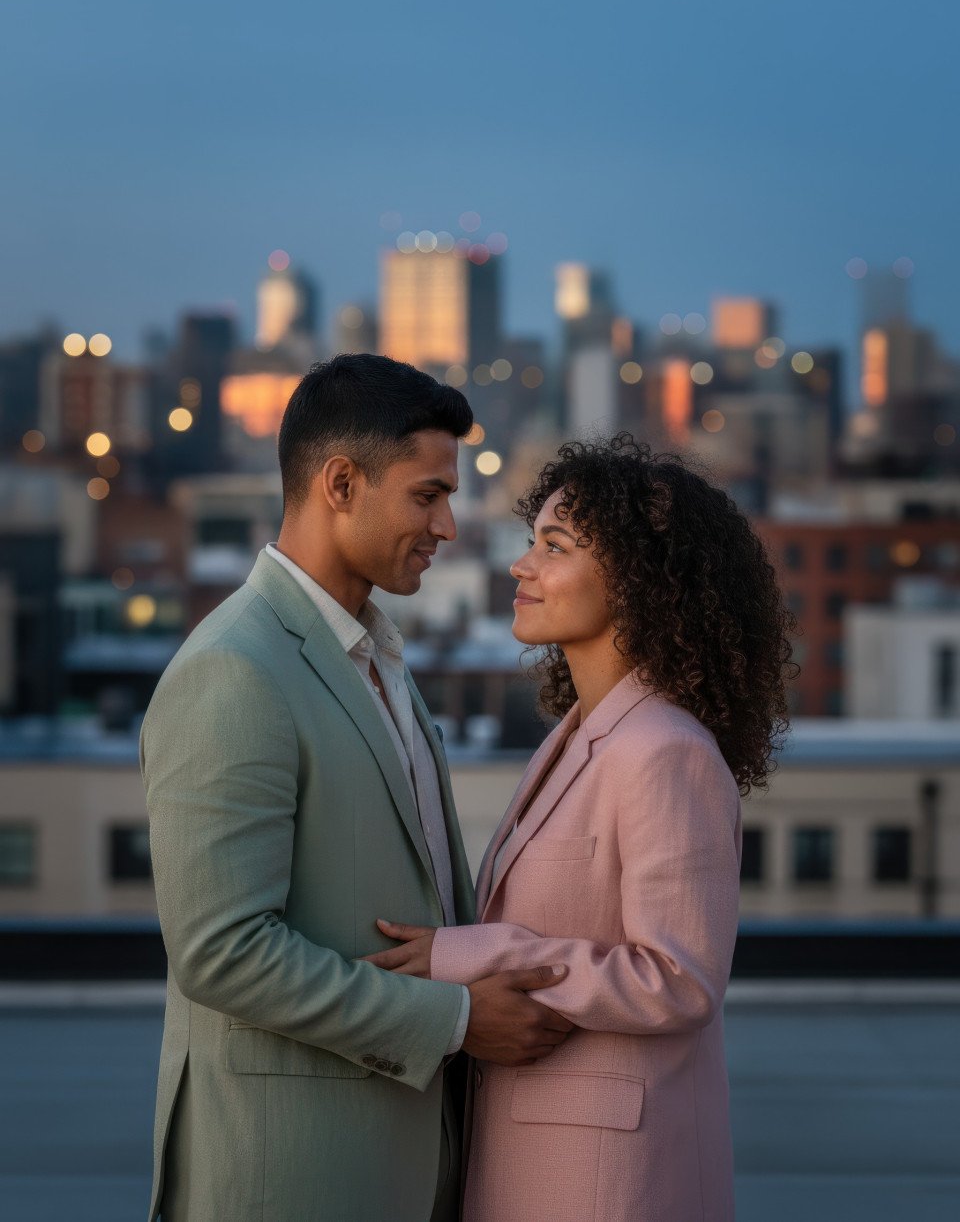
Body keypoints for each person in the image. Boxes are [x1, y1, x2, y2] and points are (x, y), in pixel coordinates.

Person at [141, 354, 573, 1222]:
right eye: (427, 495)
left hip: (406, 1170)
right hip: (286, 1179)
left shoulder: (376, 660)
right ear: (341, 482)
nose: (450, 526)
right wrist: (452, 1021)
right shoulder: (234, 671)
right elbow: (220, 950)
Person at [365, 433, 795, 1222]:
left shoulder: (665, 751)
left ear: (636, 581)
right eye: (532, 542)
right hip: (531, 1161)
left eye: (553, 547)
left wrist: (473, 954)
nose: (520, 567)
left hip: (610, 1179)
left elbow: (680, 979)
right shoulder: (579, 736)